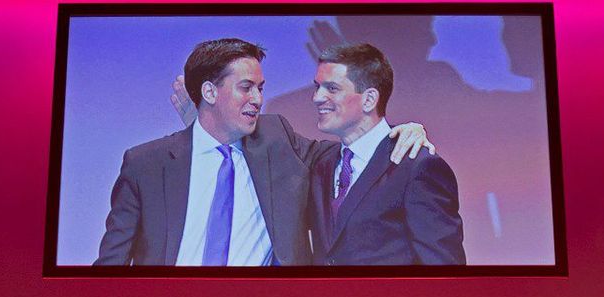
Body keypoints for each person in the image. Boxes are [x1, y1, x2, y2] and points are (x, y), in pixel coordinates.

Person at [95, 38, 431, 266]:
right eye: (245, 88)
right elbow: (110, 269)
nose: (257, 99)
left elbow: (352, 152)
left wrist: (398, 132)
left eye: (260, 88)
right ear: (209, 92)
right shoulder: (146, 165)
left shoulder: (276, 138)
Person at [308, 43, 466, 265]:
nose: (317, 97)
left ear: (370, 99)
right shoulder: (321, 163)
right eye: (317, 87)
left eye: (332, 88)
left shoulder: (417, 167)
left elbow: (443, 268)